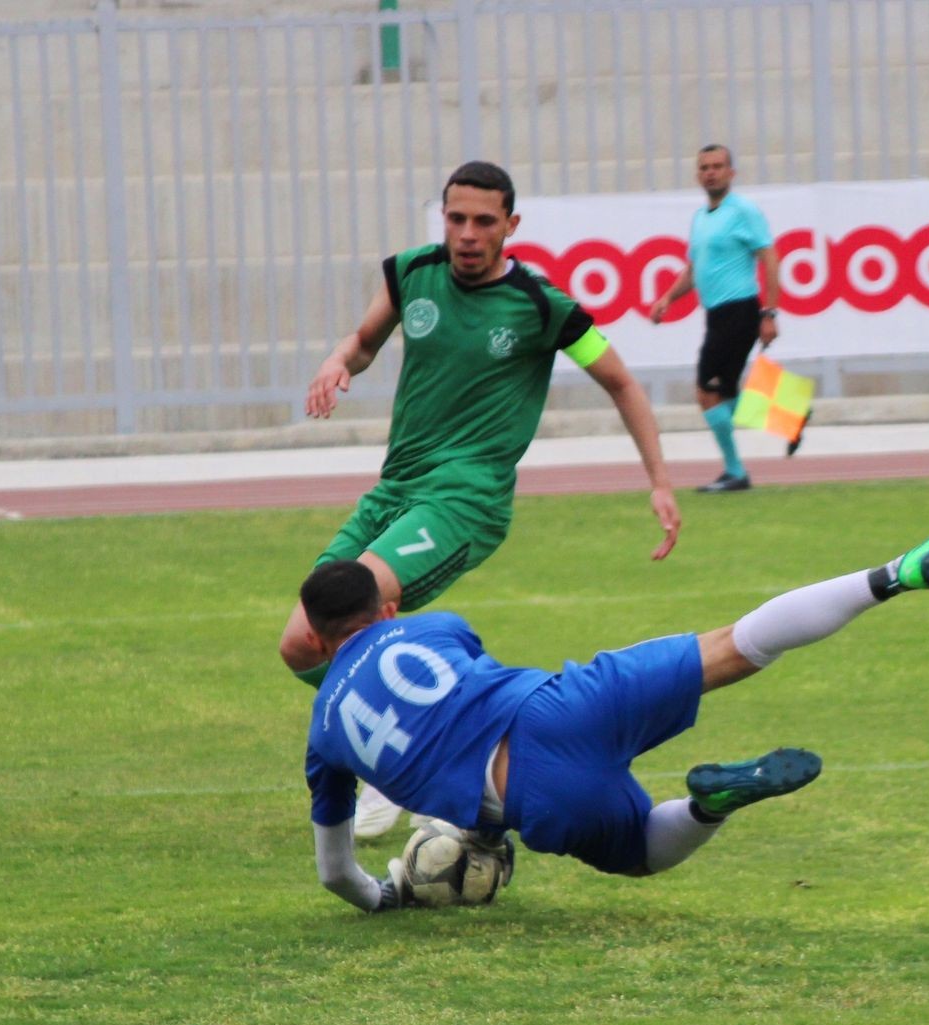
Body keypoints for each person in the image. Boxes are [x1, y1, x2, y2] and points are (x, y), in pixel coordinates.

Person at [301, 508, 929, 907]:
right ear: (387, 609)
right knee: (734, 644)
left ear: (314, 636)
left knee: (642, 852)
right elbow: (462, 703)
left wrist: (384, 897)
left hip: (534, 791)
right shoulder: (433, 625)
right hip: (566, 702)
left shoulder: (324, 733)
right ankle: (894, 575)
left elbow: (336, 872)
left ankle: (710, 805)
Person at [285, 160, 683, 839]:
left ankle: (402, 763)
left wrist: (660, 480)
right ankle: (404, 745)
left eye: (483, 221)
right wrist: (337, 361)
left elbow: (621, 382)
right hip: (395, 490)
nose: (467, 234)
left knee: (364, 605)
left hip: (464, 502)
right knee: (302, 642)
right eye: (456, 218)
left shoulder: (542, 305)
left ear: (510, 225)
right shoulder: (411, 273)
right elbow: (364, 342)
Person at [648, 144, 781, 493]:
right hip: (717, 315)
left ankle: (736, 471)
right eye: (705, 167)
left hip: (739, 310)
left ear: (731, 173)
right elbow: (694, 270)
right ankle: (789, 411)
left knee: (707, 392)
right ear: (698, 174)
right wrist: (667, 298)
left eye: (718, 166)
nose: (711, 172)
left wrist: (769, 313)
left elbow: (770, 258)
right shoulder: (701, 218)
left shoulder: (743, 211)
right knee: (722, 393)